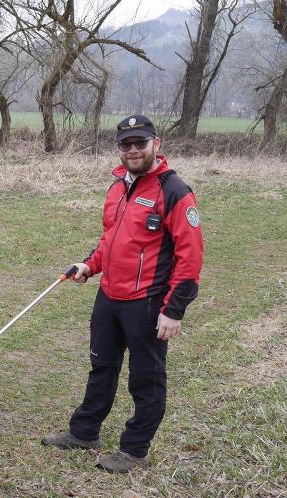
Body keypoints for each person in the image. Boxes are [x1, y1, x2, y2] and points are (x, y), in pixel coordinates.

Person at [42, 114, 204, 473]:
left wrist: (174, 310)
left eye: (140, 143)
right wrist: (89, 265)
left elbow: (189, 258)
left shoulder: (175, 192)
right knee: (101, 365)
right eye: (125, 144)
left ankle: (135, 451)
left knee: (145, 378)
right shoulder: (118, 186)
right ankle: (84, 432)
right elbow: (111, 240)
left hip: (146, 303)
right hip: (108, 296)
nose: (132, 150)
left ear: (156, 145)